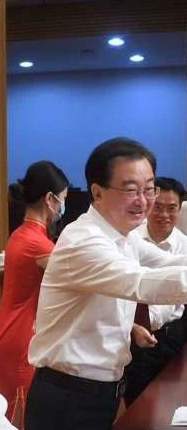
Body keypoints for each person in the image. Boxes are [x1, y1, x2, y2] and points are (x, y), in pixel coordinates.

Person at [24, 137, 187, 430]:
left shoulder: (123, 236)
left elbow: (178, 262)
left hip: (101, 390)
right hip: (68, 396)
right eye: (130, 190)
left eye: (149, 189)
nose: (143, 200)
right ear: (97, 192)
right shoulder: (84, 241)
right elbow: (143, 283)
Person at [124, 176, 187, 407]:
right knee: (137, 405)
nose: (164, 215)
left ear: (180, 210)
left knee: (173, 400)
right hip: (133, 335)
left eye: (171, 209)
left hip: (170, 335)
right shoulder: (130, 239)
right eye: (158, 207)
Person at [0, 161, 69, 419]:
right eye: (63, 199)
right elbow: (78, 278)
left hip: (11, 328)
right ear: (50, 199)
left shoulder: (21, 234)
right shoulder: (37, 243)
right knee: (21, 413)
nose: (63, 206)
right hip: (23, 334)